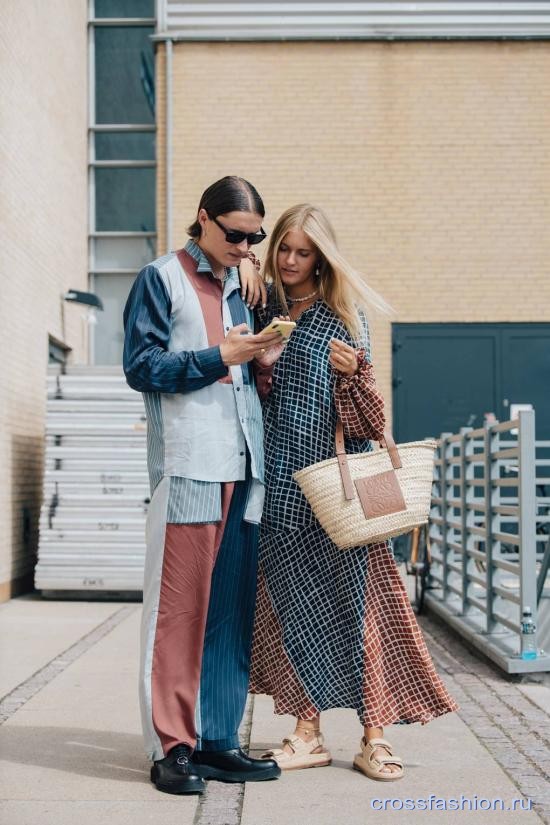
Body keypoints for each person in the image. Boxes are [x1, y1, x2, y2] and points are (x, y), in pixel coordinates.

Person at [244, 204, 458, 781]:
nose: (289, 261)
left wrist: (355, 373)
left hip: (342, 495)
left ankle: (374, 736)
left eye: (303, 252)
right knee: (296, 613)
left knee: (361, 614)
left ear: (322, 258)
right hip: (282, 492)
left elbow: (368, 420)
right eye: (282, 249)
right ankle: (306, 731)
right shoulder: (260, 308)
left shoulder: (342, 318)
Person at [122, 176, 283, 795]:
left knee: (229, 615)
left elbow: (240, 372)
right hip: (190, 467)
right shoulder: (160, 278)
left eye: (254, 238)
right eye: (237, 235)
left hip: (246, 469)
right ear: (203, 219)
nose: (247, 247)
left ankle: (218, 739)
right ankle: (172, 747)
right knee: (179, 614)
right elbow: (142, 368)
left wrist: (259, 364)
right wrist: (222, 357)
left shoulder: (243, 288)